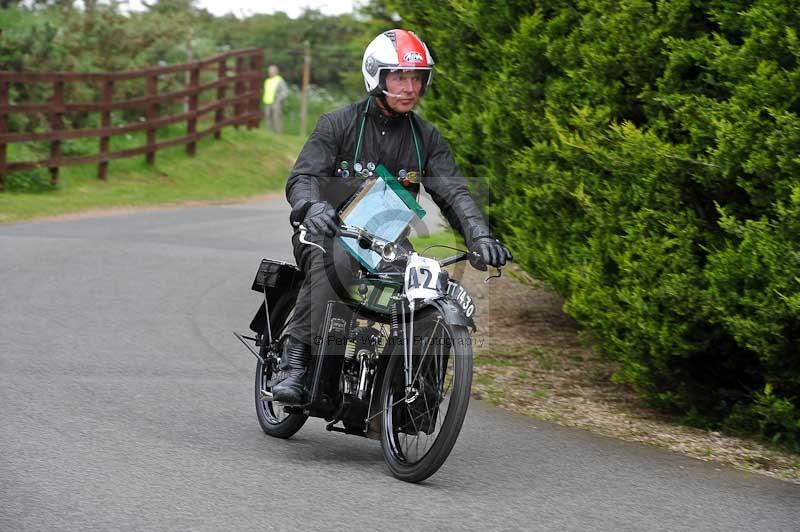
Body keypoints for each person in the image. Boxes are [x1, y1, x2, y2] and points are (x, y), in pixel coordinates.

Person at [272, 29, 512, 404]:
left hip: (385, 243)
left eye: (416, 78)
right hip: (324, 231)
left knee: (432, 287)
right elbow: (303, 177)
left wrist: (480, 236)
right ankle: (295, 362)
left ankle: (416, 392)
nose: (409, 87)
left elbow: (455, 191)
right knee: (330, 262)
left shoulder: (427, 138)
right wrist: (312, 207)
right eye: (399, 77)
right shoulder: (337, 124)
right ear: (376, 76)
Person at [263, 65, 289, 134]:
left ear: (276, 72)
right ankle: (269, 133)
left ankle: (278, 133)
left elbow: (285, 91)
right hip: (267, 102)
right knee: (267, 118)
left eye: (272, 71)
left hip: (276, 102)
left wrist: (278, 100)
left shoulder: (279, 80)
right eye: (269, 71)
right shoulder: (267, 80)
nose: (270, 73)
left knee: (276, 118)